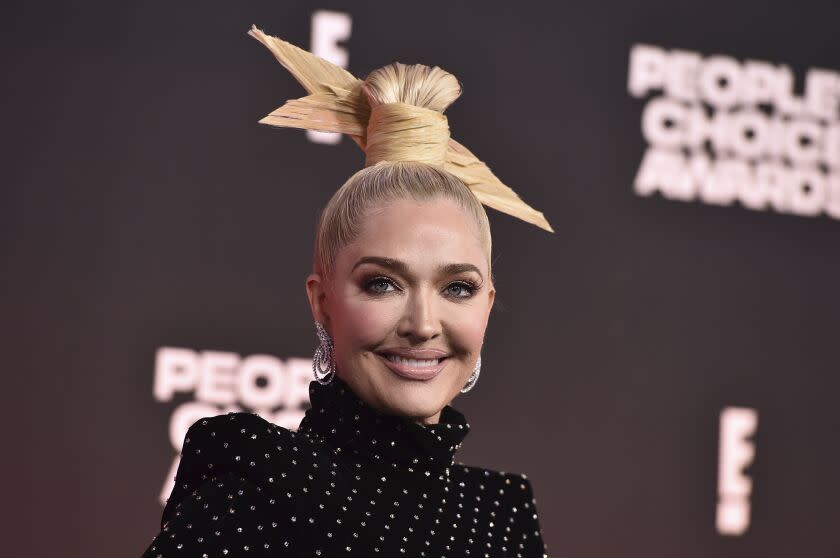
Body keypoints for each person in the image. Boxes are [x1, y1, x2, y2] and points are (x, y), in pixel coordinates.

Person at [140, 24, 553, 558]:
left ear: (488, 307)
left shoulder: (501, 512)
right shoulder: (258, 484)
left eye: (457, 288)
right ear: (322, 302)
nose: (423, 324)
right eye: (382, 283)